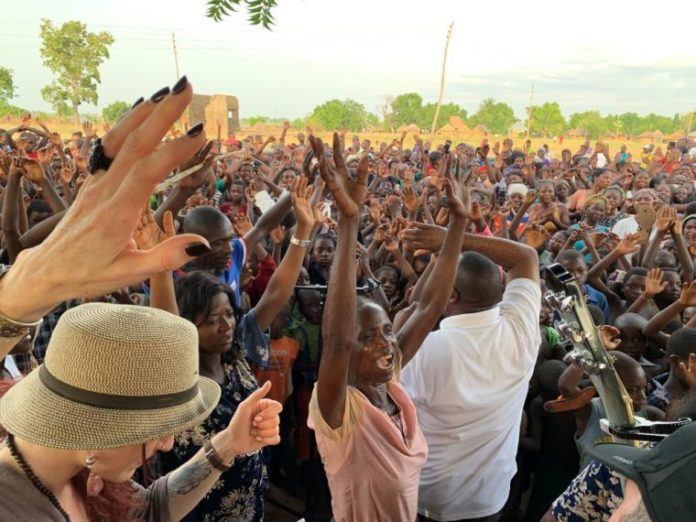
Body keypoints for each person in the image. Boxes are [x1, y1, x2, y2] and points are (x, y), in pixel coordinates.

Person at [0, 78, 282, 521]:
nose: (168, 444)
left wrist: (228, 444)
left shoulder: (75, 474)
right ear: (94, 431)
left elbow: (146, 509)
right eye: (152, 432)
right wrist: (20, 299)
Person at [307, 135, 468, 521]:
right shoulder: (339, 410)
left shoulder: (391, 385)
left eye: (386, 331)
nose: (384, 343)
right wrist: (349, 223)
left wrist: (459, 225)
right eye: (367, 337)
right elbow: (337, 343)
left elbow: (430, 307)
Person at [160, 174, 314, 521]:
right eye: (211, 319)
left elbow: (276, 292)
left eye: (229, 314)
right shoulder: (175, 375)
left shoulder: (237, 351)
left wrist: (302, 232)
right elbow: (167, 320)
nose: (225, 325)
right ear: (186, 325)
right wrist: (160, 266)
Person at [401, 221, 541, 521]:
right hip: (489, 498)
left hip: (426, 499)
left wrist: (449, 242)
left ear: (451, 296)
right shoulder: (522, 330)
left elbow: (412, 311)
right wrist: (451, 239)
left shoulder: (426, 351)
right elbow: (526, 257)